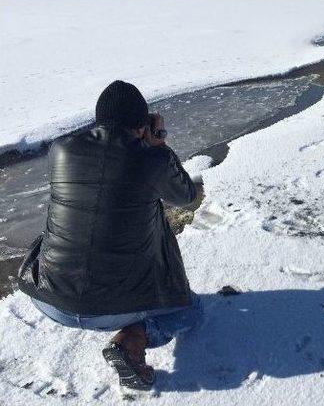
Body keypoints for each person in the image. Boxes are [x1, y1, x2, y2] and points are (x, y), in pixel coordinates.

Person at [17, 80, 202, 391]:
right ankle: (132, 339)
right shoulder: (151, 159)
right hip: (111, 308)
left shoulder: (60, 150)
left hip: (48, 299)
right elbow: (186, 196)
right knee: (190, 310)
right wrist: (159, 144)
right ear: (143, 125)